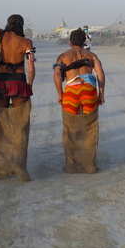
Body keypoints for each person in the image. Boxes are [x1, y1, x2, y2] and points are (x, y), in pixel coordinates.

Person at [0, 14, 36, 182]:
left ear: (8, 23)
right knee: (19, 125)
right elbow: (31, 66)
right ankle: (19, 167)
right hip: (18, 82)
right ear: (22, 25)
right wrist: (30, 84)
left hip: (1, 81)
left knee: (0, 124)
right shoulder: (26, 42)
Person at [53, 28, 106, 173]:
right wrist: (101, 93)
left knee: (70, 129)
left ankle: (71, 165)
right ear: (84, 41)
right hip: (88, 91)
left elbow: (57, 75)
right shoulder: (91, 55)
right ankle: (89, 165)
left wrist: (60, 94)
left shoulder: (63, 56)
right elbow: (100, 75)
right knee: (90, 128)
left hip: (71, 91)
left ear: (70, 42)